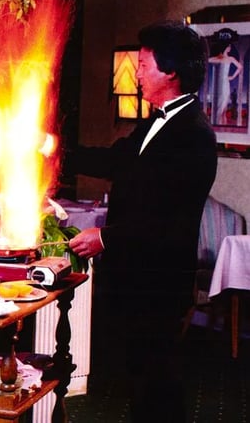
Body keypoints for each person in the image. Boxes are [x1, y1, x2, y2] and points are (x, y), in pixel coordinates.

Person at [67, 21, 217, 422]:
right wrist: (52, 149)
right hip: (135, 280)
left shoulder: (194, 136)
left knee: (158, 386)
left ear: (170, 72)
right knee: (142, 384)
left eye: (143, 63)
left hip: (160, 283)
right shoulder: (154, 122)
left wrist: (106, 237)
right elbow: (114, 161)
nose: (136, 72)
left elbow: (168, 220)